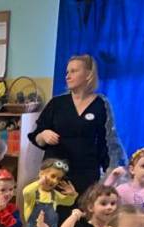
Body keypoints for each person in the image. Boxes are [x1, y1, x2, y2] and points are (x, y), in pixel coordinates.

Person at [28, 54, 125, 203]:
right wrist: (43, 134)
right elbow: (36, 136)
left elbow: (108, 142)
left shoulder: (101, 104)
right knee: (51, 215)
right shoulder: (57, 103)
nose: (67, 76)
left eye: (73, 71)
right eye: (67, 72)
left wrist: (113, 172)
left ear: (88, 74)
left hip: (86, 175)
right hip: (55, 174)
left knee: (83, 213)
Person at [22, 158, 78, 227]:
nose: (55, 181)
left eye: (58, 178)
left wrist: (72, 194)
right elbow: (26, 192)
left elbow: (68, 202)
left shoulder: (54, 195)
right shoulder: (33, 193)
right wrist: (39, 182)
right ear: (41, 173)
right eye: (52, 176)